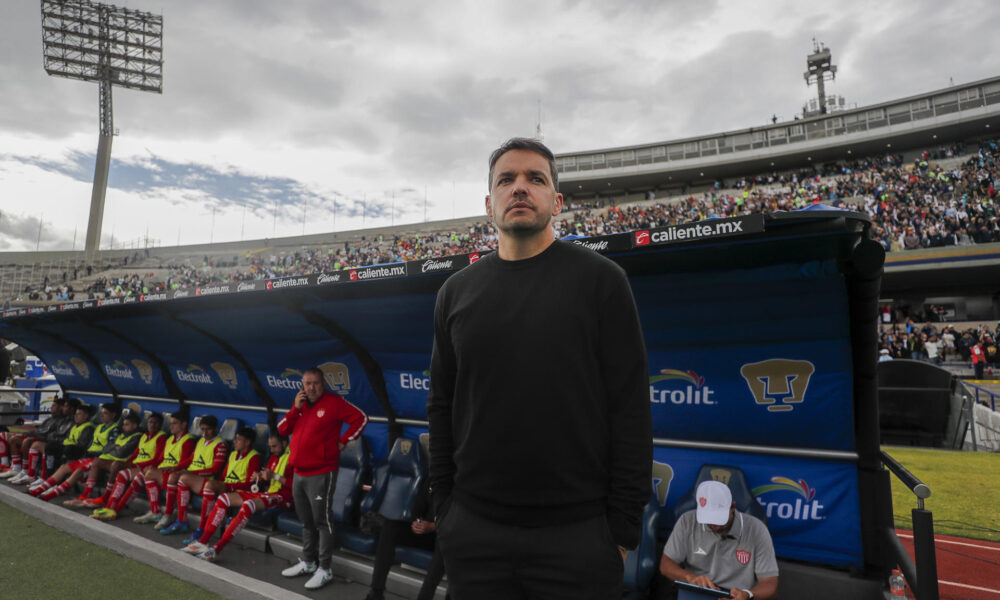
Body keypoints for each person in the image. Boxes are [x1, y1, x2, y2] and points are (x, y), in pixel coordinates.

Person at [427, 137, 652, 599]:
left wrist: (622, 531)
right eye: (506, 180)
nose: (520, 188)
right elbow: (441, 405)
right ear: (490, 203)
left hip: (578, 539)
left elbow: (630, 409)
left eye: (536, 179)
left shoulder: (603, 281)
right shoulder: (455, 292)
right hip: (473, 533)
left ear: (557, 200)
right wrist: (444, 508)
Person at [276, 367, 368, 590]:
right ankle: (308, 562)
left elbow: (361, 419)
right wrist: (295, 409)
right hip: (299, 472)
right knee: (306, 521)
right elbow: (281, 430)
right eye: (307, 384)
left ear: (323, 384)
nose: (311, 388)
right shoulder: (299, 406)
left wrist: (344, 440)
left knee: (322, 521)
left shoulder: (334, 403)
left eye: (315, 383)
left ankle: (325, 569)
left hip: (322, 471)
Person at [660, 481, 779, 600]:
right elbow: (665, 565)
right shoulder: (687, 521)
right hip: (697, 591)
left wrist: (747, 594)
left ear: (732, 507)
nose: (715, 525)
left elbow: (770, 584)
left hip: (736, 596)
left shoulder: (757, 529)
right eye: (709, 519)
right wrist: (690, 578)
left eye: (719, 519)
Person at [182, 433, 292, 562]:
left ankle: (216, 549)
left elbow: (295, 485)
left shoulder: (293, 458)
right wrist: (259, 477)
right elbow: (268, 478)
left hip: (282, 497)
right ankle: (203, 542)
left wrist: (274, 476)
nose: (272, 450)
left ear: (284, 444)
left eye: (275, 446)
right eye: (270, 447)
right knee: (223, 498)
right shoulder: (274, 457)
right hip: (267, 494)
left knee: (248, 505)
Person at [364, 478, 447, 600]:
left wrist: (433, 526)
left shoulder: (458, 483)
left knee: (444, 542)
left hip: (444, 534)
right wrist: (417, 522)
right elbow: (418, 507)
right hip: (426, 532)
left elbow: (458, 521)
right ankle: (376, 593)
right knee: (390, 527)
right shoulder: (432, 480)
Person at [159, 415, 229, 536]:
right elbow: (191, 459)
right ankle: (170, 516)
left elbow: (215, 469)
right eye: (202, 429)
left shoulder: (220, 445)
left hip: (205, 479)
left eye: (208, 429)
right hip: (192, 477)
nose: (204, 432)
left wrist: (190, 473)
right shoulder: (201, 441)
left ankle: (183, 522)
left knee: (183, 478)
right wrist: (177, 467)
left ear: (215, 429)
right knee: (174, 476)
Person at [90, 412, 167, 519]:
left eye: (156, 423)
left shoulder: (161, 437)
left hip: (149, 468)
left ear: (160, 425)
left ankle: (116, 510)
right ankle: (109, 507)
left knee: (136, 479)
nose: (152, 425)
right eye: (150, 422)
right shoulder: (145, 435)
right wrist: (129, 463)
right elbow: (136, 453)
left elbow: (157, 459)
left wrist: (135, 464)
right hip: (138, 466)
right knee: (121, 474)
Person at [131, 411, 196, 526]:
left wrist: (173, 467)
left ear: (184, 424)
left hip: (175, 472)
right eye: (171, 423)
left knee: (158, 475)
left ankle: (167, 514)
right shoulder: (170, 439)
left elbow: (185, 462)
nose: (171, 426)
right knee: (148, 472)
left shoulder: (188, 440)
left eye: (175, 423)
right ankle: (155, 511)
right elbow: (160, 459)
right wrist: (152, 466)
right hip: (164, 470)